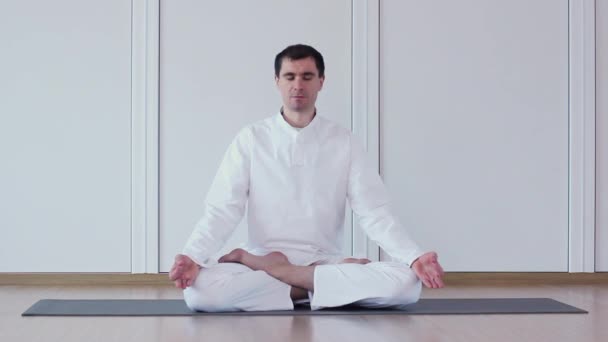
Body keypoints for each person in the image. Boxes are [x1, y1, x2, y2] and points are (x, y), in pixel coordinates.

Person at [169, 44, 444, 312]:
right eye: (290, 76)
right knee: (200, 292)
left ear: (321, 82)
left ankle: (281, 272)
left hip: (321, 260)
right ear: (277, 81)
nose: (297, 85)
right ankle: (314, 286)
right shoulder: (251, 139)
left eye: (307, 77)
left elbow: (374, 212)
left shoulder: (343, 141)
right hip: (271, 255)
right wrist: (193, 255)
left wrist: (412, 256)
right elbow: (222, 209)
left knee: (406, 284)